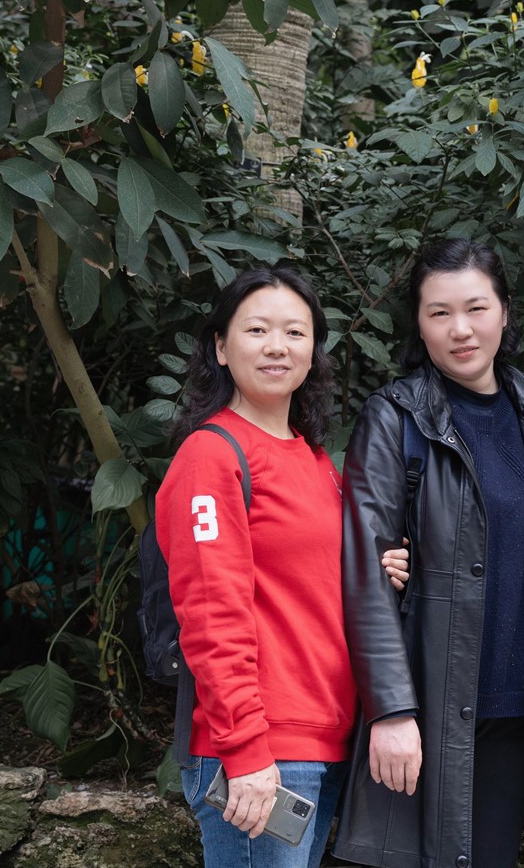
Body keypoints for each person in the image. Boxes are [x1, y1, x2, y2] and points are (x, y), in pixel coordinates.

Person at [333, 238, 524, 868]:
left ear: (505, 312)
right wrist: (390, 710)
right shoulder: (396, 417)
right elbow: (365, 573)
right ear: (419, 323)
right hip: (429, 706)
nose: (460, 330)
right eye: (439, 313)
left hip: (517, 709)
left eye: (476, 308)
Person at [155, 266, 359, 868]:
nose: (278, 346)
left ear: (313, 351)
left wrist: (380, 564)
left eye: (295, 332)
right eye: (257, 330)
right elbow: (211, 614)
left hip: (323, 738)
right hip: (260, 750)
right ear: (220, 347)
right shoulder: (211, 455)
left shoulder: (315, 459)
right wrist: (244, 747)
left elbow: (310, 583)